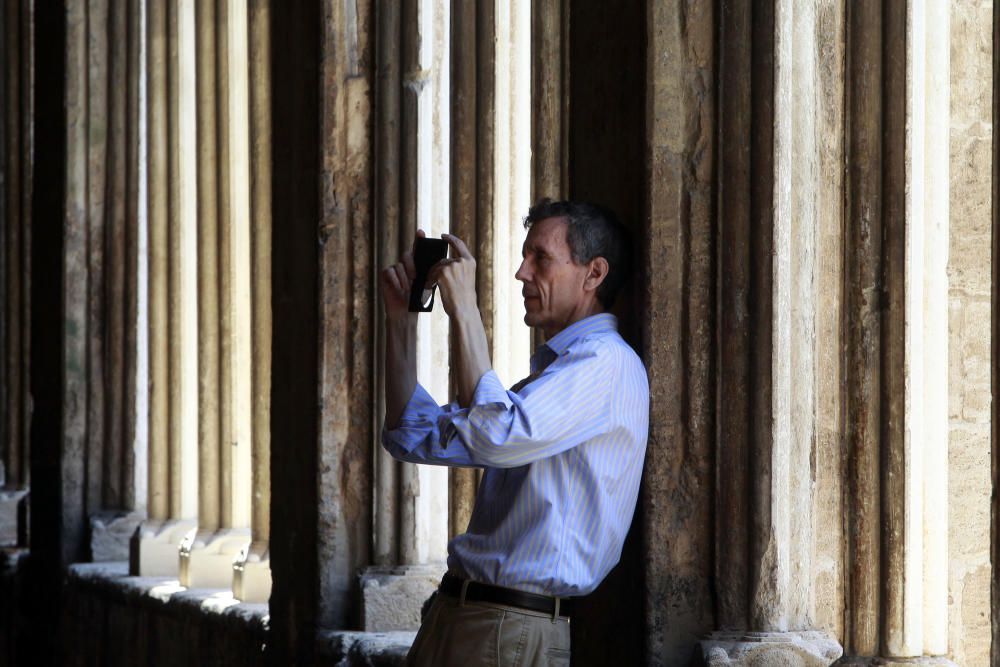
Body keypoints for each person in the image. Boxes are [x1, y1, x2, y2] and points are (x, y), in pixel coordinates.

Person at [380, 199, 649, 667]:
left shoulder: (603, 364)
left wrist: (465, 310)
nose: (522, 273)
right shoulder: (553, 376)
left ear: (593, 273)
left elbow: (493, 437)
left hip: (509, 629)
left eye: (540, 258)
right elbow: (412, 432)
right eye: (524, 257)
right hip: (465, 616)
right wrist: (401, 320)